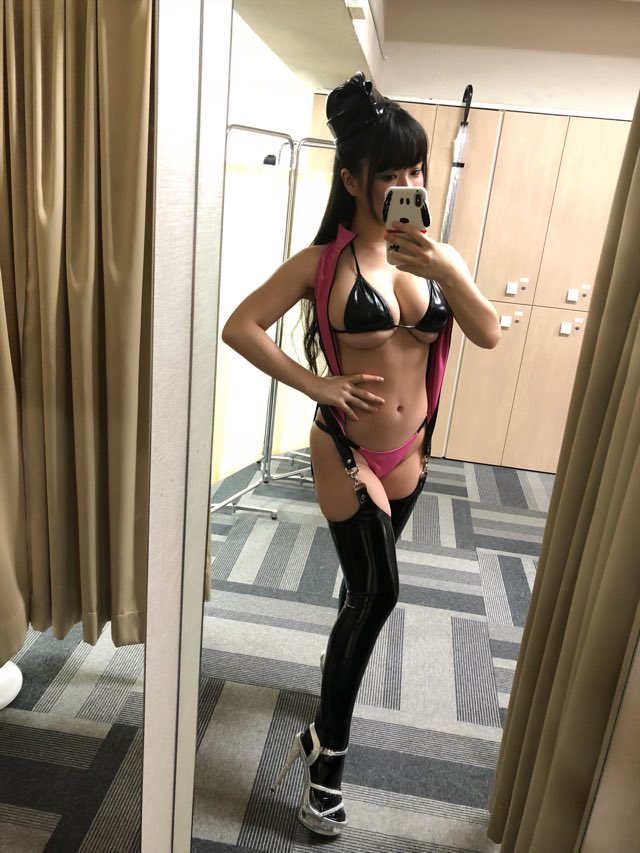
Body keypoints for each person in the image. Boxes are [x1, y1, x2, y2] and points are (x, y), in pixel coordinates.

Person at [222, 72, 500, 837]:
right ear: (352, 180)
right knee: (379, 593)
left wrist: (447, 270)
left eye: (417, 170)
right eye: (391, 173)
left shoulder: (436, 258)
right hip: (346, 449)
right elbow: (241, 326)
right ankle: (326, 759)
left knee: (361, 593)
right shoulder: (323, 263)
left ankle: (333, 682)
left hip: (410, 454)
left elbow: (487, 332)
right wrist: (318, 382)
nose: (409, 185)